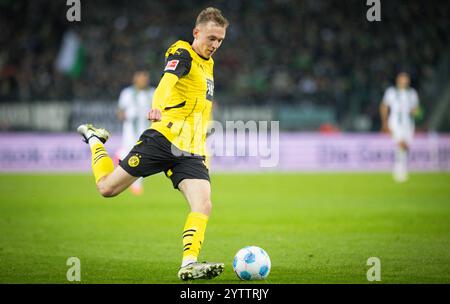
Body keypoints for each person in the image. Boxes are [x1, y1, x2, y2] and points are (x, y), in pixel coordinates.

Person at [77, 7, 228, 280]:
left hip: (190, 151)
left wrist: (205, 150)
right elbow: (165, 84)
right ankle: (95, 139)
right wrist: (157, 107)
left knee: (203, 205)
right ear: (196, 33)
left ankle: (188, 264)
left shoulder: (209, 65)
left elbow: (204, 111)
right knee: (107, 189)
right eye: (211, 38)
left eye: (220, 40)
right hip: (162, 139)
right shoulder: (183, 53)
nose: (215, 44)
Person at [115, 71, 155, 195]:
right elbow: (120, 113)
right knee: (132, 155)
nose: (143, 81)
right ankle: (136, 185)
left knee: (142, 157)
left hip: (148, 131)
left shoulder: (153, 92)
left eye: (145, 79)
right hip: (130, 131)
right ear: (135, 80)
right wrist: (127, 115)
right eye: (141, 78)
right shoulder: (127, 93)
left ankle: (119, 156)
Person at [380, 72, 420, 182]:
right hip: (395, 123)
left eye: (406, 79)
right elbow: (384, 106)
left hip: (408, 123)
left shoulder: (412, 93)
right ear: (398, 80)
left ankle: (401, 166)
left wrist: (416, 112)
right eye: (402, 79)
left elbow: (416, 109)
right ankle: (399, 170)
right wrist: (384, 122)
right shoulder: (391, 92)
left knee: (405, 146)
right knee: (401, 144)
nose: (404, 81)